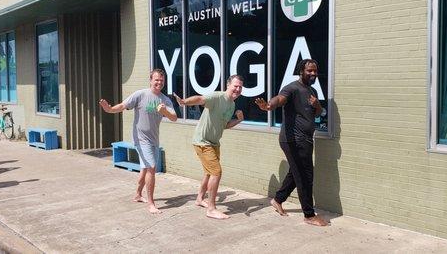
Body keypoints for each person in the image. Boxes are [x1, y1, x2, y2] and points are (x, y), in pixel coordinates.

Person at [254, 59, 329, 227]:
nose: (313, 73)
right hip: (293, 139)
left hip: (306, 139)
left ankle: (278, 199)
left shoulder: (311, 90)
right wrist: (268, 106)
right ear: (300, 71)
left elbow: (317, 113)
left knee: (296, 172)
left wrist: (317, 105)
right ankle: (309, 215)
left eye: (315, 71)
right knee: (305, 176)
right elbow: (280, 99)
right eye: (309, 70)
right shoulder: (292, 88)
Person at [99, 69, 177, 214]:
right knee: (152, 168)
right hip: (140, 139)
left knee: (145, 169)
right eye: (156, 79)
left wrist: (164, 111)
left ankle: (137, 195)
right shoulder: (140, 95)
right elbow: (123, 105)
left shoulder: (164, 100)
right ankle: (151, 204)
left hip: (154, 139)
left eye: (161, 80)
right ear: (150, 80)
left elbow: (174, 117)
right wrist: (109, 110)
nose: (159, 82)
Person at [174, 75, 244, 220]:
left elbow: (224, 125)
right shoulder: (217, 97)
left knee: (208, 172)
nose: (237, 89)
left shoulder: (231, 105)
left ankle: (200, 199)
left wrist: (238, 120)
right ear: (228, 85)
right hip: (202, 141)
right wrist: (183, 102)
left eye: (240, 87)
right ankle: (211, 209)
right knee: (216, 172)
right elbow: (200, 99)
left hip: (214, 143)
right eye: (235, 86)